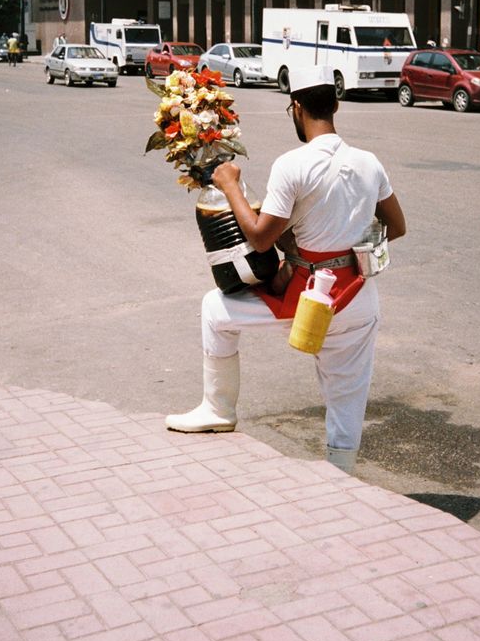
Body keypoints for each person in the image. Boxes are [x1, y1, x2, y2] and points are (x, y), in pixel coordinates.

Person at [165, 66, 406, 473]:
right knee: (346, 394)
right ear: (335, 104)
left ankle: (218, 409)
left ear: (296, 108)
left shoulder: (292, 165)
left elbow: (260, 237)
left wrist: (230, 185)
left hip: (308, 300)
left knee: (215, 309)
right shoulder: (369, 162)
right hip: (358, 300)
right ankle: (340, 473)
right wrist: (345, 239)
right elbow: (397, 227)